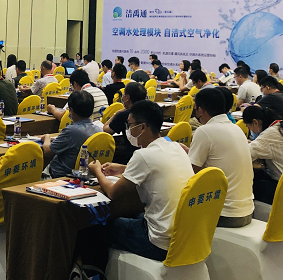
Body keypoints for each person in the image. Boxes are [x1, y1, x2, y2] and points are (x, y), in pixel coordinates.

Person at [88, 100, 194, 262]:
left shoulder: (143, 155)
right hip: (183, 235)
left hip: (158, 243)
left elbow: (113, 192)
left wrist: (97, 171)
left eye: (130, 125)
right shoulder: (175, 147)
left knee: (97, 227)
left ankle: (92, 274)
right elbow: (156, 167)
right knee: (135, 214)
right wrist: (123, 168)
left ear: (142, 127)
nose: (128, 130)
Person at [187, 88, 255, 227]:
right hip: (246, 210)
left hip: (224, 214)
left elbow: (190, 173)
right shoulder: (237, 129)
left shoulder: (204, 131)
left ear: (200, 110)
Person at [244, 106, 283, 204]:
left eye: (249, 127)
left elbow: (244, 155)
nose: (250, 130)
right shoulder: (281, 127)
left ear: (255, 122)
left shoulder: (269, 135)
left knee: (250, 182)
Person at [42, 91, 102, 178]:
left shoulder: (71, 131)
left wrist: (47, 137)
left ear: (71, 110)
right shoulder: (99, 130)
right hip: (88, 175)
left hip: (62, 176)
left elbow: (47, 152)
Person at [103, 82, 146, 163]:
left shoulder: (125, 115)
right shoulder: (149, 110)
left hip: (131, 157)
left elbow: (106, 130)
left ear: (127, 98)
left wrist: (116, 114)